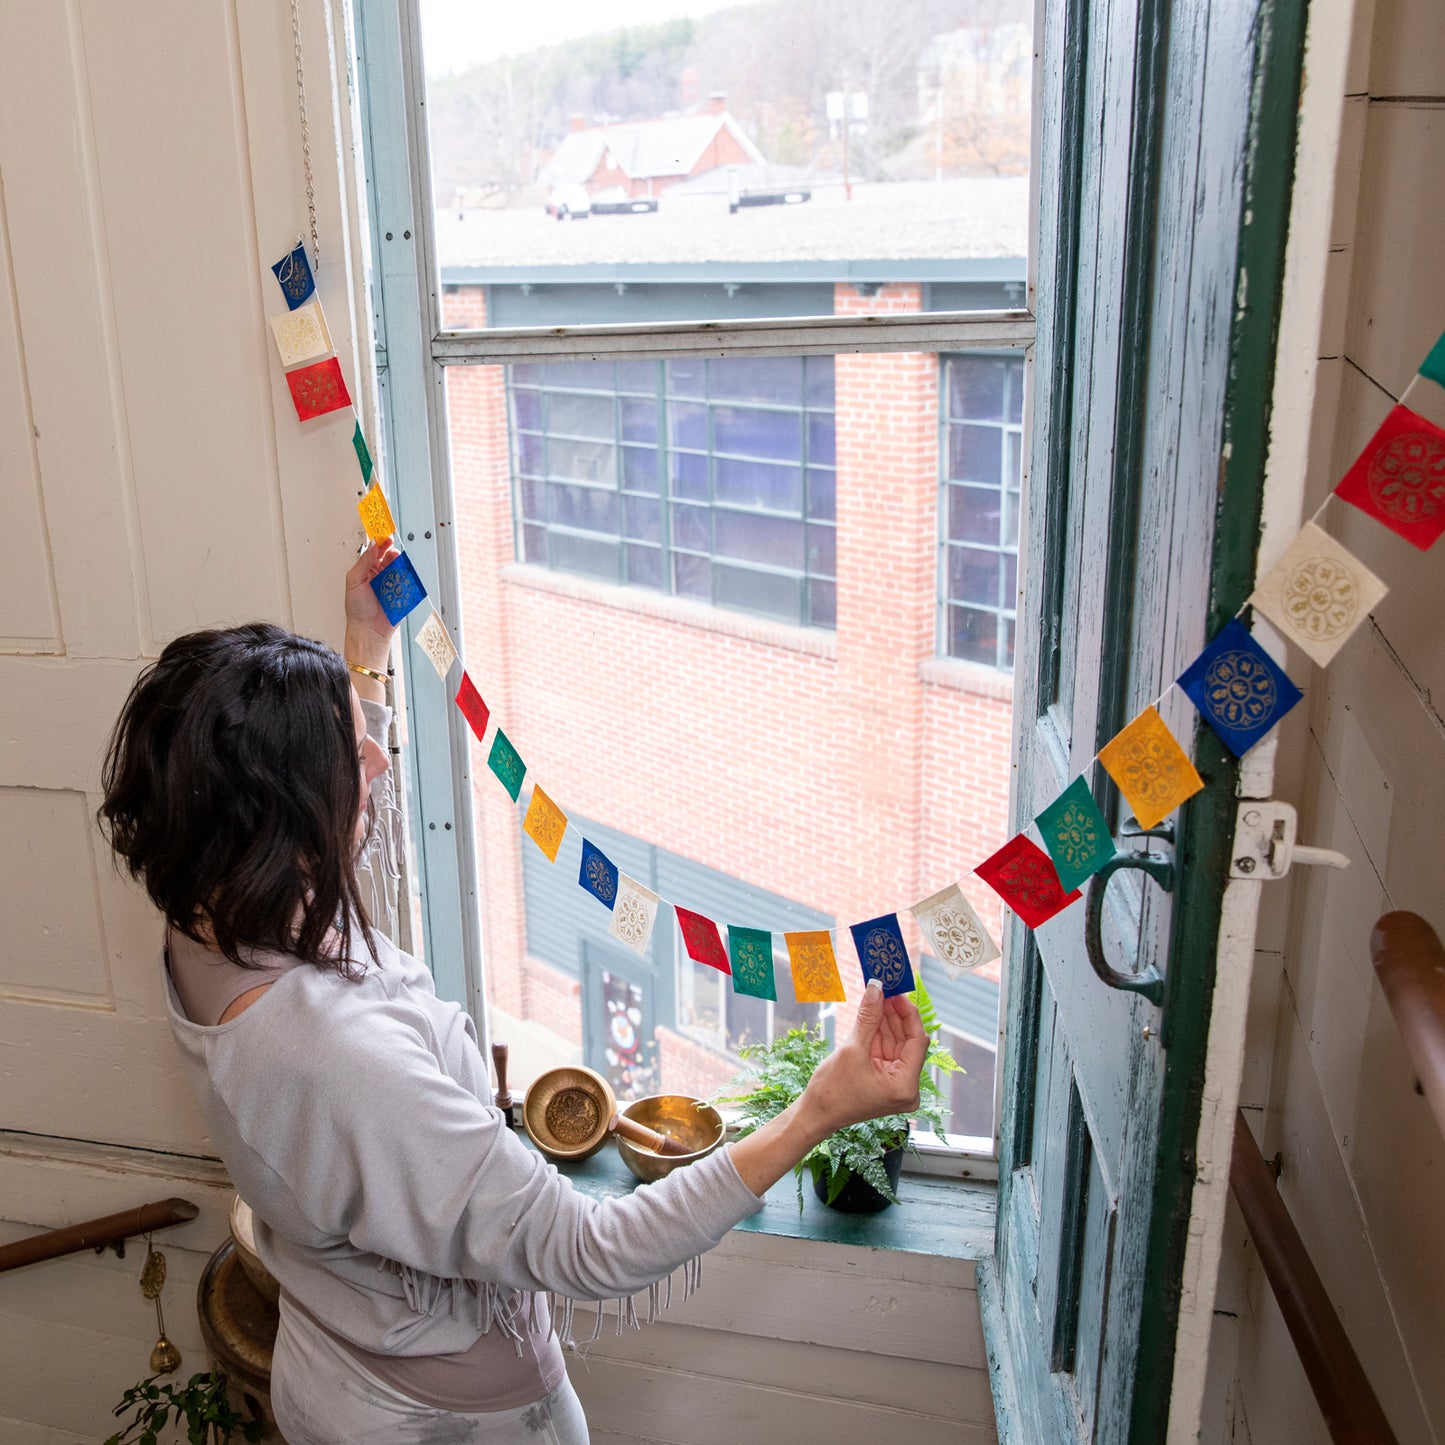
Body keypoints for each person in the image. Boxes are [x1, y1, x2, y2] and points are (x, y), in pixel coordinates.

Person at [100, 538, 929, 1445]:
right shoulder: (340, 1062)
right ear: (287, 826)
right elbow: (587, 1247)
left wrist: (362, 652)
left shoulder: (204, 912)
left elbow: (337, 820)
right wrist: (818, 1108)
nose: (375, 764)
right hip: (442, 1425)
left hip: (334, 1353)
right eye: (351, 761)